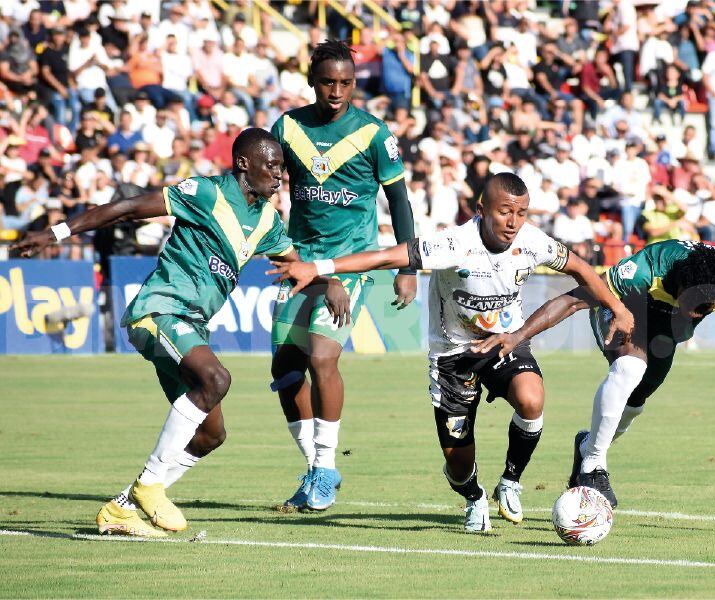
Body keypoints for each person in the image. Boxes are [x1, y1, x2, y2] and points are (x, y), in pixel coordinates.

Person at [11, 128, 351, 537]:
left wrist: (327, 280)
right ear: (243, 163)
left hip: (191, 326)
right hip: (159, 311)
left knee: (211, 434)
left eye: (282, 168)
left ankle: (123, 506)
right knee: (217, 378)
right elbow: (127, 208)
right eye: (272, 165)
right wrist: (57, 233)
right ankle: (150, 485)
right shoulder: (206, 192)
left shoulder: (266, 222)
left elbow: (298, 268)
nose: (280, 175)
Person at [269, 173, 633, 532]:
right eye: (505, 211)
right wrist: (318, 267)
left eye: (521, 213)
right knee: (458, 465)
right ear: (480, 209)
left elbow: (581, 269)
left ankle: (510, 480)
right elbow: (385, 257)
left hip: (506, 342)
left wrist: (616, 306)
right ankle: (474, 498)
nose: (513, 222)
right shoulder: (454, 244)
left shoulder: (534, 242)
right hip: (452, 357)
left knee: (532, 399)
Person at [488, 240, 715, 508]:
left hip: (666, 333)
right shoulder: (645, 270)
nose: (695, 312)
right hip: (625, 309)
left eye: (705, 308)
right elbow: (571, 300)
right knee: (629, 368)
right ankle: (593, 465)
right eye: (691, 303)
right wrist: (518, 335)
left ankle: (587, 447)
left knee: (636, 402)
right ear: (678, 284)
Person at [269, 40, 417, 513]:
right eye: (328, 82)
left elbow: (399, 202)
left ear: (355, 83)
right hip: (299, 260)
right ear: (312, 81)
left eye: (346, 83)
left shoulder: (374, 133)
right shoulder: (288, 127)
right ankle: (319, 468)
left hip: (351, 262)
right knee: (285, 370)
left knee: (321, 357)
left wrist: (406, 267)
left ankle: (325, 467)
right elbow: (263, 188)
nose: (337, 91)